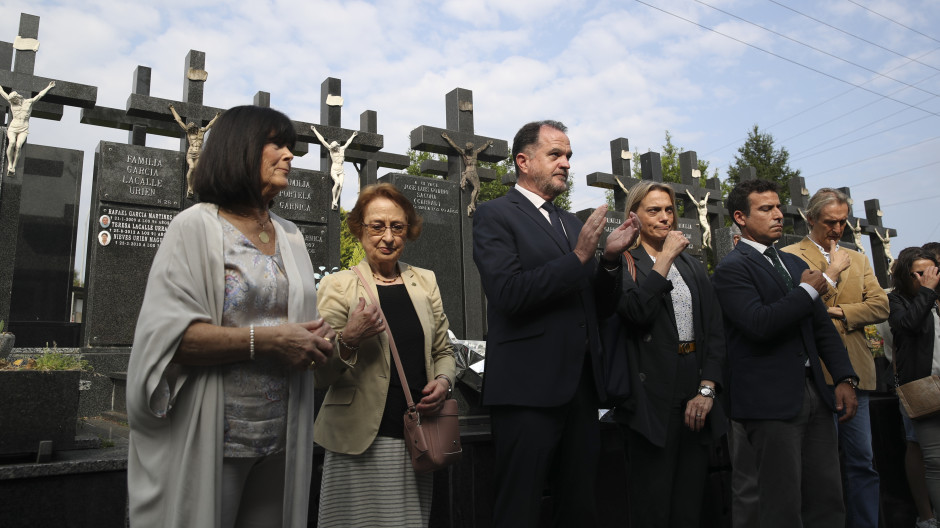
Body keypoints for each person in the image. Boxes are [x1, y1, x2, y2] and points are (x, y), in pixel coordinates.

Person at [126, 105, 335, 527]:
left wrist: (316, 339)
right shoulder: (195, 228)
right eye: (276, 144)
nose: (290, 156)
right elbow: (172, 339)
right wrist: (270, 341)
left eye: (291, 147)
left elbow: (294, 322)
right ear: (240, 149)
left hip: (283, 438)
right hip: (216, 438)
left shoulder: (291, 235)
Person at [472, 120, 640, 527]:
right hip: (527, 391)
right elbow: (509, 294)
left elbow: (595, 307)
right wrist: (579, 257)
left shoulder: (569, 224)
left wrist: (609, 260)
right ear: (524, 161)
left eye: (568, 156)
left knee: (580, 506)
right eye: (556, 155)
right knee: (519, 508)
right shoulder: (494, 215)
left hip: (581, 391)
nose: (566, 163)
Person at [712, 179, 858, 528]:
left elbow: (822, 328)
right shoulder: (732, 268)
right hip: (770, 402)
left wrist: (843, 376)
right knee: (781, 503)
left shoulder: (793, 265)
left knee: (827, 496)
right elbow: (759, 324)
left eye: (778, 207)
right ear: (740, 218)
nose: (778, 215)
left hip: (814, 393)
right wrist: (808, 289)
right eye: (766, 209)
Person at [314, 182, 456, 527]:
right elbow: (319, 372)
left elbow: (443, 349)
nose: (388, 236)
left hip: (414, 437)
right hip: (356, 438)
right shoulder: (337, 287)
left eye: (397, 226)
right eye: (377, 226)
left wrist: (443, 379)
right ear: (359, 230)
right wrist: (349, 337)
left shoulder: (425, 282)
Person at [611, 181, 727, 527]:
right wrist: (663, 260)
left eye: (669, 210)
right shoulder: (625, 262)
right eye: (654, 210)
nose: (665, 217)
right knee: (654, 502)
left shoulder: (691, 265)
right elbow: (636, 314)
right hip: (651, 393)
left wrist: (707, 388)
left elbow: (715, 330)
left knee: (690, 503)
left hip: (694, 383)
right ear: (635, 217)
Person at [781, 187, 889, 527]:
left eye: (842, 222)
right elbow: (795, 304)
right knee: (818, 466)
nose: (838, 229)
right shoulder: (789, 255)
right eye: (830, 222)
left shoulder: (857, 257)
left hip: (855, 370)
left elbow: (881, 305)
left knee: (862, 461)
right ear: (810, 218)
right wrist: (833, 273)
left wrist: (840, 311)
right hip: (814, 374)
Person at [889, 246, 940, 524]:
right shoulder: (898, 300)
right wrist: (927, 292)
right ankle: (931, 517)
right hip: (925, 389)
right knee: (932, 459)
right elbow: (907, 325)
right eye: (918, 274)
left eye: (931, 272)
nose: (925, 278)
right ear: (905, 275)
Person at [1, 80, 55, 174]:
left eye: (15, 100)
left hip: (23, 128)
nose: (14, 102)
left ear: (18, 97)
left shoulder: (29, 102)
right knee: (12, 142)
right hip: (13, 127)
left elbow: (39, 95)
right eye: (12, 101)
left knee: (18, 146)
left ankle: (14, 166)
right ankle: (9, 164)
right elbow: (2, 92)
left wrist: (49, 87)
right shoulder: (11, 102)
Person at [169, 104, 221, 198]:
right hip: (191, 153)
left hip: (199, 154)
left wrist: (216, 117)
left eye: (192, 128)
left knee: (196, 170)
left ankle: (192, 188)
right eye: (189, 128)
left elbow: (210, 124)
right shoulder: (188, 132)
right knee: (192, 167)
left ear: (195, 127)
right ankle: (189, 187)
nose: (190, 129)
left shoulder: (202, 131)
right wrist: (172, 109)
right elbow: (179, 120)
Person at [310, 125, 357, 210]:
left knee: (341, 186)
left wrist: (353, 135)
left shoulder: (342, 149)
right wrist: (314, 130)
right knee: (337, 183)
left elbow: (348, 143)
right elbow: (322, 140)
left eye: (334, 147)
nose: (333, 148)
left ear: (337, 146)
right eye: (333, 148)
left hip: (341, 169)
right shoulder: (331, 150)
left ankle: (335, 200)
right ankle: (334, 200)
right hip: (334, 169)